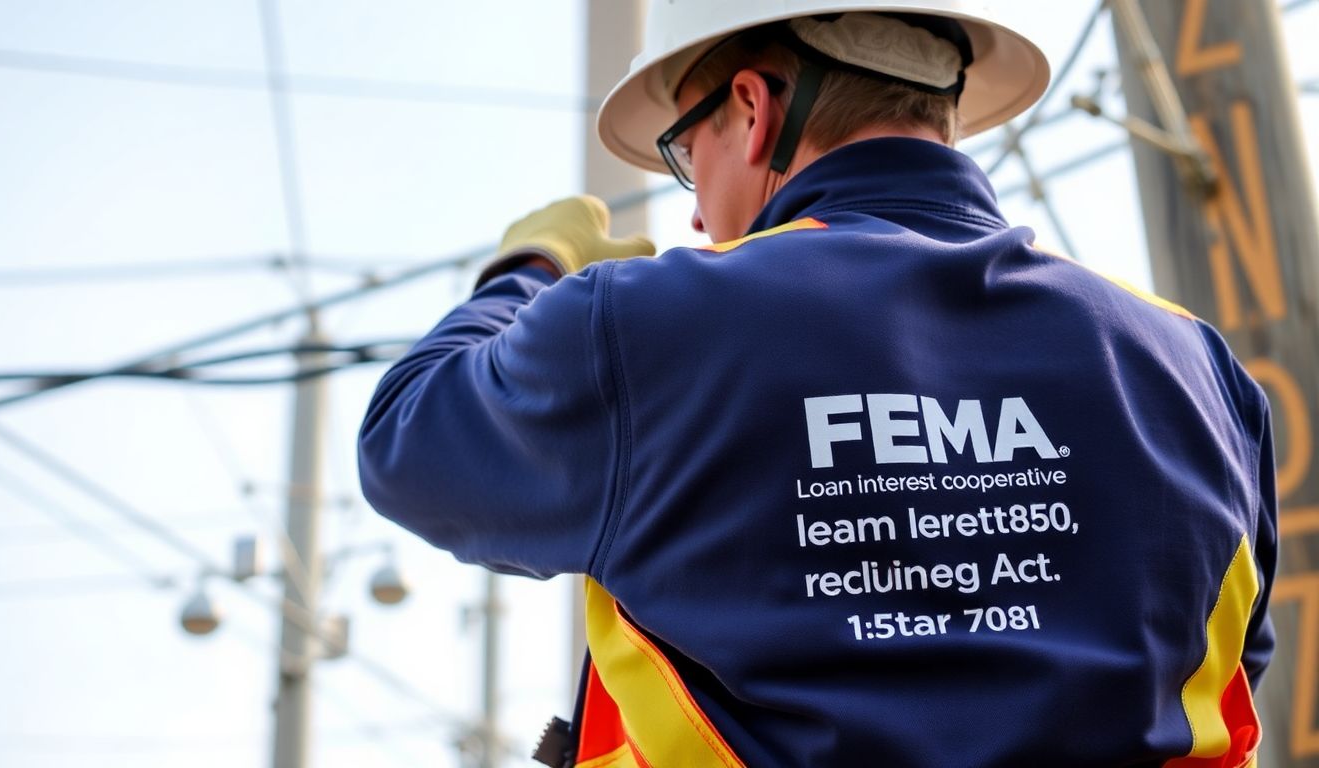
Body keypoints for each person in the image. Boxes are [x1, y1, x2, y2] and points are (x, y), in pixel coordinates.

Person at [358, 2, 1277, 766]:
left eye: (686, 150)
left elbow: (408, 440)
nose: (691, 205)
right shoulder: (1196, 368)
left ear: (753, 110)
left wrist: (530, 269)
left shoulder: (645, 325)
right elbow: (1230, 662)